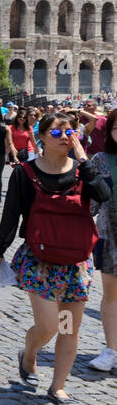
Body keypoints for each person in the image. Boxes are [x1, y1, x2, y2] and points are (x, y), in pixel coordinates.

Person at [0, 112, 110, 405]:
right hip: (39, 261)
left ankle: (58, 387)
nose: (66, 137)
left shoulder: (84, 171)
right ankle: (29, 354)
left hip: (74, 265)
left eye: (70, 131)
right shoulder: (25, 173)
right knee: (49, 324)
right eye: (57, 132)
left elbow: (104, 195)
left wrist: (85, 160)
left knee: (69, 327)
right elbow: (12, 214)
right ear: (40, 137)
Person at [88, 114, 117, 372]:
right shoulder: (100, 160)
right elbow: (91, 204)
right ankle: (111, 350)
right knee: (111, 296)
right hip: (110, 237)